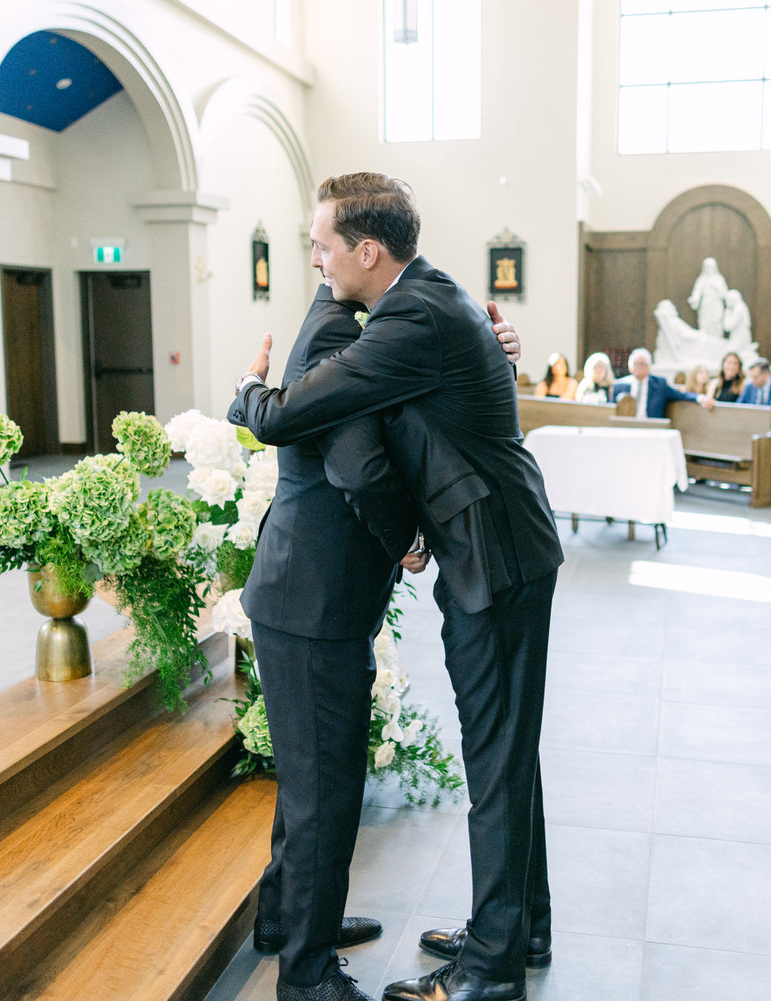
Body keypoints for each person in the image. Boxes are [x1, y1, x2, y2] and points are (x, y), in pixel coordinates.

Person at [230, 172, 564, 1001]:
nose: (313, 259)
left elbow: (293, 413)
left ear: (368, 250)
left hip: (497, 560)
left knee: (495, 758)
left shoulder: (411, 317)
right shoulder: (429, 303)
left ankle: (491, 967)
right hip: (492, 551)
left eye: (324, 245)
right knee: (506, 753)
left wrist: (248, 394)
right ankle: (515, 928)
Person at [610, 347, 715, 418]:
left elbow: (681, 395)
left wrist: (700, 398)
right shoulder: (619, 386)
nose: (639, 367)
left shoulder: (660, 384)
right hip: (627, 429)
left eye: (642, 364)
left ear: (648, 367)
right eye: (636, 364)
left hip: (652, 429)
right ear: (630, 367)